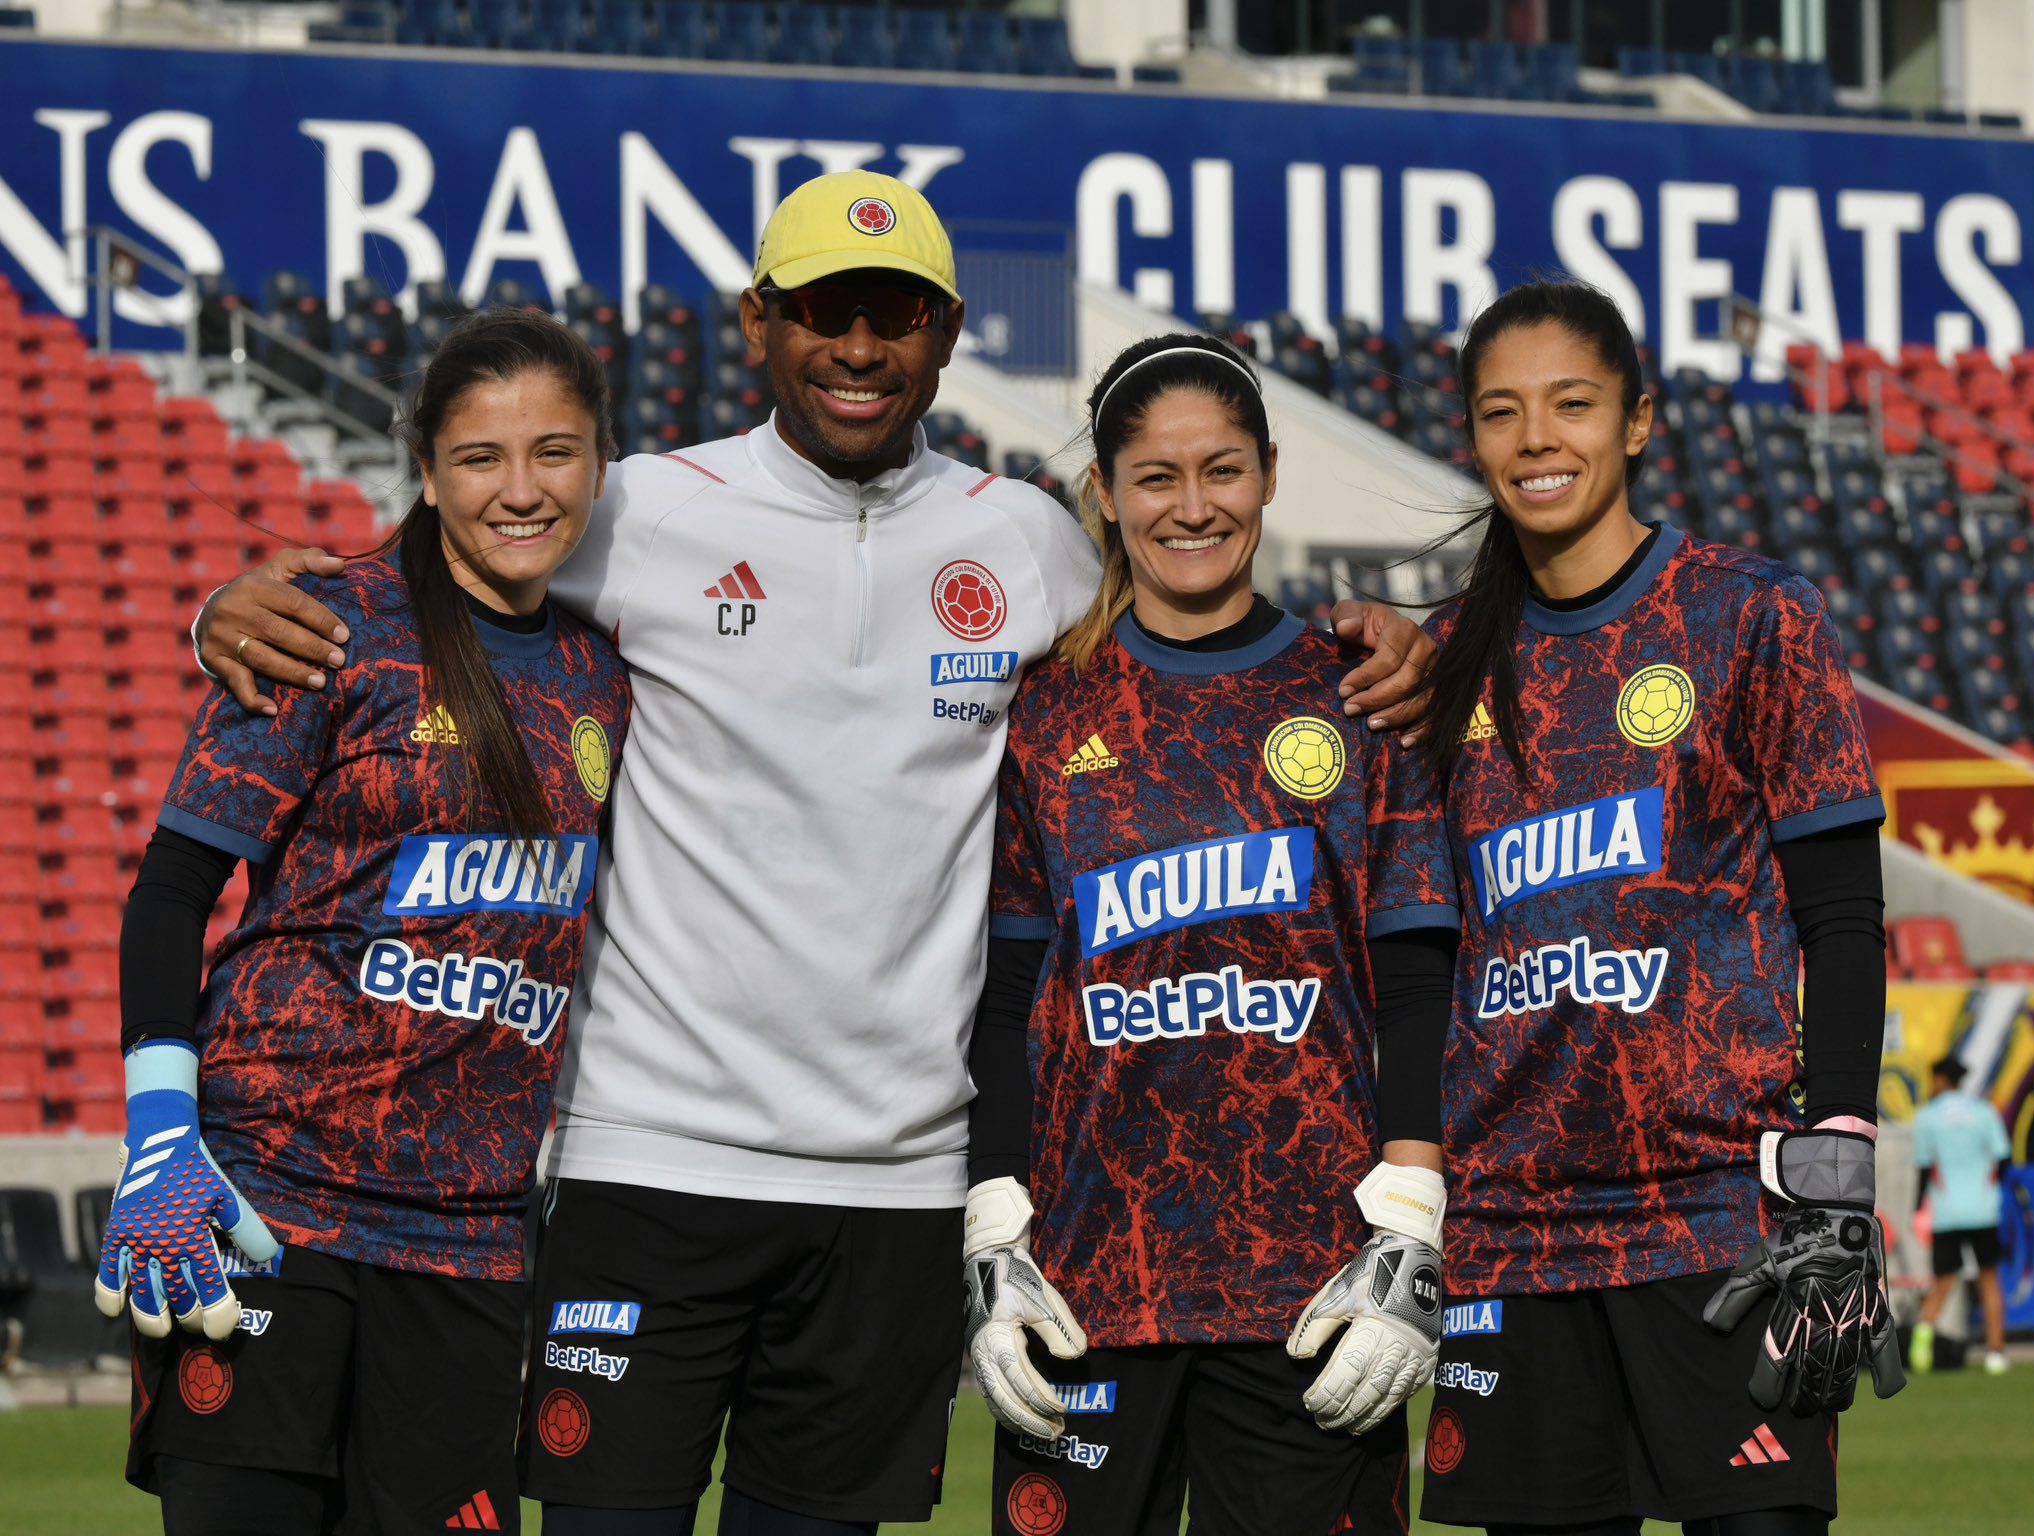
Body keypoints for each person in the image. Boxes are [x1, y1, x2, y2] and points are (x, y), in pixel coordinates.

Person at [189, 171, 1440, 1535]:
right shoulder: (641, 510)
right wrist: (236, 607)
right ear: (758, 321)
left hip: (895, 1189)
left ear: (946, 330)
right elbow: (452, 565)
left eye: (894, 314)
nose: (859, 347)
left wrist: (1373, 635)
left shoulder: (1024, 539)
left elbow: (1202, 615)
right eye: (824, 313)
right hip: (647, 1160)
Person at [97, 309, 630, 1534]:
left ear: (602, 463)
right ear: (429, 469)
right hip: (269, 1202)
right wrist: (162, 1134)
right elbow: (173, 891)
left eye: (554, 452)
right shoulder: (324, 627)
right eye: (482, 457)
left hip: (475, 1243)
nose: (521, 488)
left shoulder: (610, 672)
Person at [1411, 279, 1903, 1535]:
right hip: (1512, 1232)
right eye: (1501, 413)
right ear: (1468, 437)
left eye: (1570, 405)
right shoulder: (1443, 661)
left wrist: (1836, 1173)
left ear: (1635, 422)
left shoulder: (1750, 615)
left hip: (1715, 1218)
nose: (1535, 441)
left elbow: (1841, 913)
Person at [963, 334, 1461, 1536]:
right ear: (1103, 493)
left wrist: (1409, 1221)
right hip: (1084, 1285)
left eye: (1222, 471)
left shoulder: (1357, 694)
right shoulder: (1041, 710)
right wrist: (993, 1223)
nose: (1192, 509)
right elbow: (1008, 997)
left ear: (1270, 474)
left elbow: (1412, 979)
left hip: (1312, 1288)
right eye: (1156, 478)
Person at [1909, 1055, 2013, 1375]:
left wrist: (1917, 1208)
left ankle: (1920, 1351)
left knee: (1942, 1282)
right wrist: (1990, 1189)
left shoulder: (1928, 1117)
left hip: (1947, 1211)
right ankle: (1995, 1354)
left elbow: (1925, 1169)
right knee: (1989, 1281)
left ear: (1941, 1080)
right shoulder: (1984, 1112)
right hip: (1983, 1209)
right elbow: (2003, 1159)